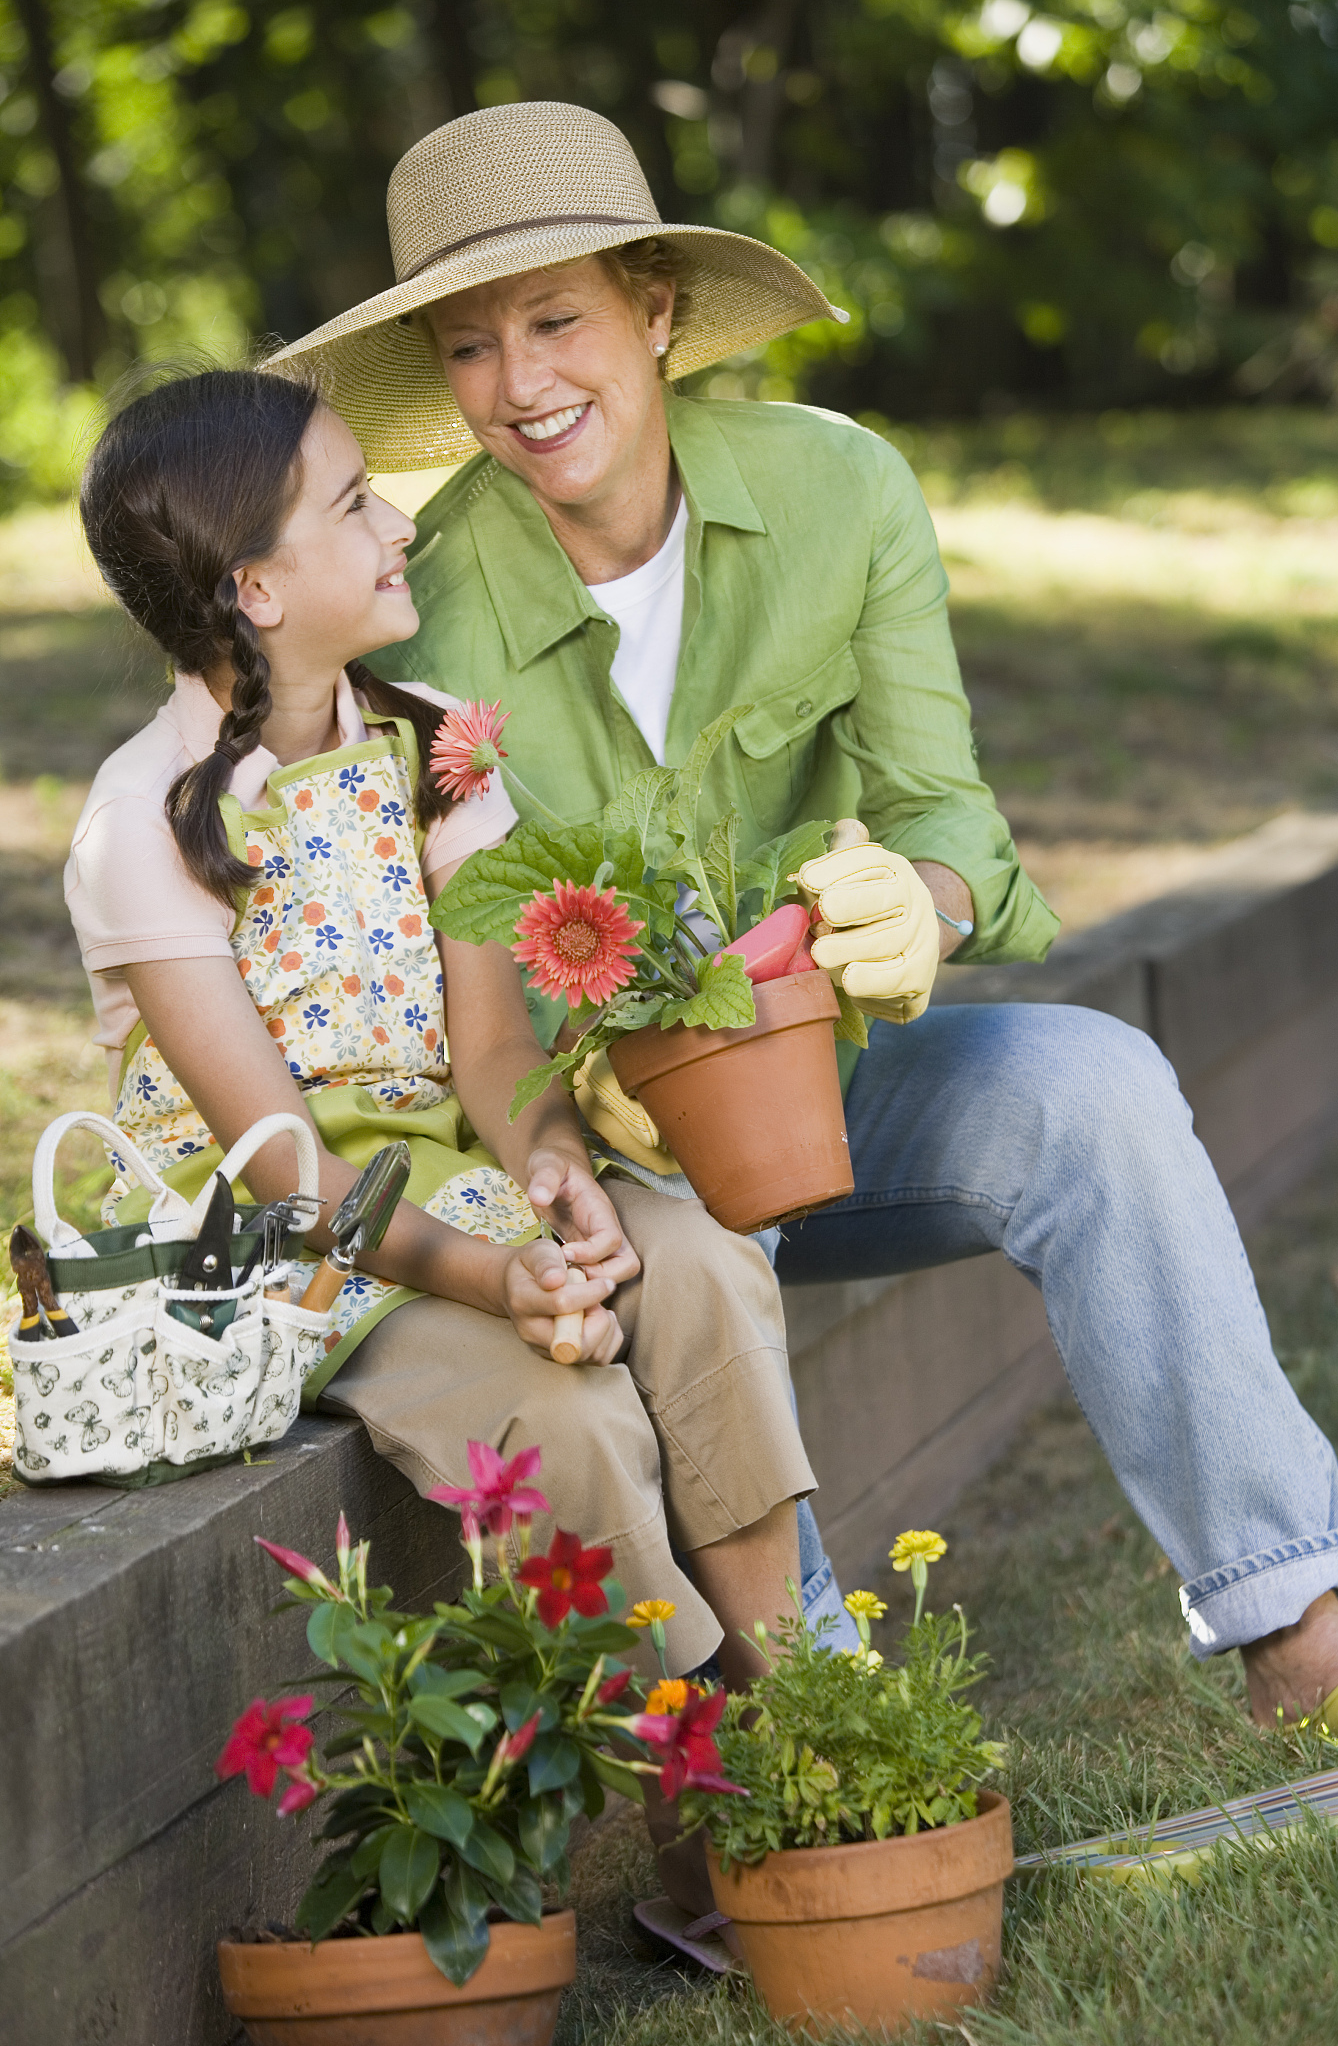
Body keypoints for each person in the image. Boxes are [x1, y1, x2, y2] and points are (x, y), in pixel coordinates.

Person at [271, 98, 1338, 1736]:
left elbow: (950, 819)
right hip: (622, 1138)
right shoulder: (419, 620)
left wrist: (914, 904)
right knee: (696, 1245)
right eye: (472, 345)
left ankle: (1296, 1632)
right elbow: (455, 992)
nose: (522, 384)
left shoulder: (841, 490)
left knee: (1098, 1090)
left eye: (557, 318)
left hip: (835, 1077)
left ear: (653, 310)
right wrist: (589, 1097)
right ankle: (827, 1729)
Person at [64, 364, 828, 1700]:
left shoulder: (434, 759)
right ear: (258, 587)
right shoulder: (145, 822)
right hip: (282, 1243)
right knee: (560, 1407)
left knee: (699, 1264)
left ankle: (797, 1699)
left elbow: (490, 1055)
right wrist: (499, 1277)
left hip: (458, 1181)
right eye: (356, 503)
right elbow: (280, 1166)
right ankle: (689, 1799)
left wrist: (557, 1177)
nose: (401, 523)